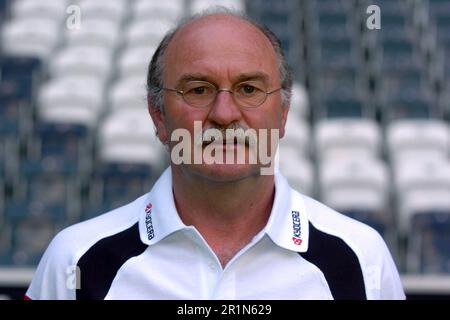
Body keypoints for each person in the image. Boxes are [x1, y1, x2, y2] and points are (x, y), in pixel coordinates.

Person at [26, 9, 405, 300]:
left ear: (284, 113)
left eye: (249, 89)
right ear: (158, 114)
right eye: (198, 90)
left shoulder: (361, 259)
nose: (224, 114)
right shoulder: (75, 261)